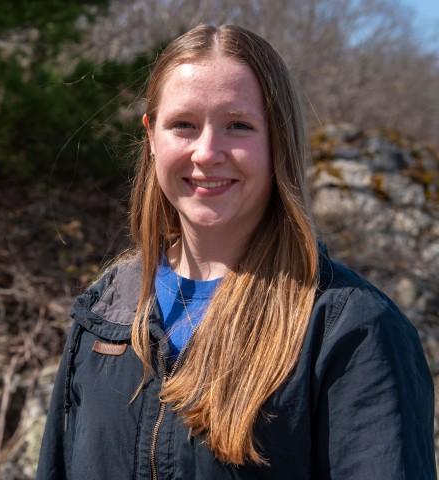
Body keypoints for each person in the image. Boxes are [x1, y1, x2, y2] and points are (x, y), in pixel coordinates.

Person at [36, 24, 436, 479]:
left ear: (277, 139)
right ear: (151, 136)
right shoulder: (106, 312)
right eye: (183, 125)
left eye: (238, 126)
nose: (207, 152)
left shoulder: (348, 329)